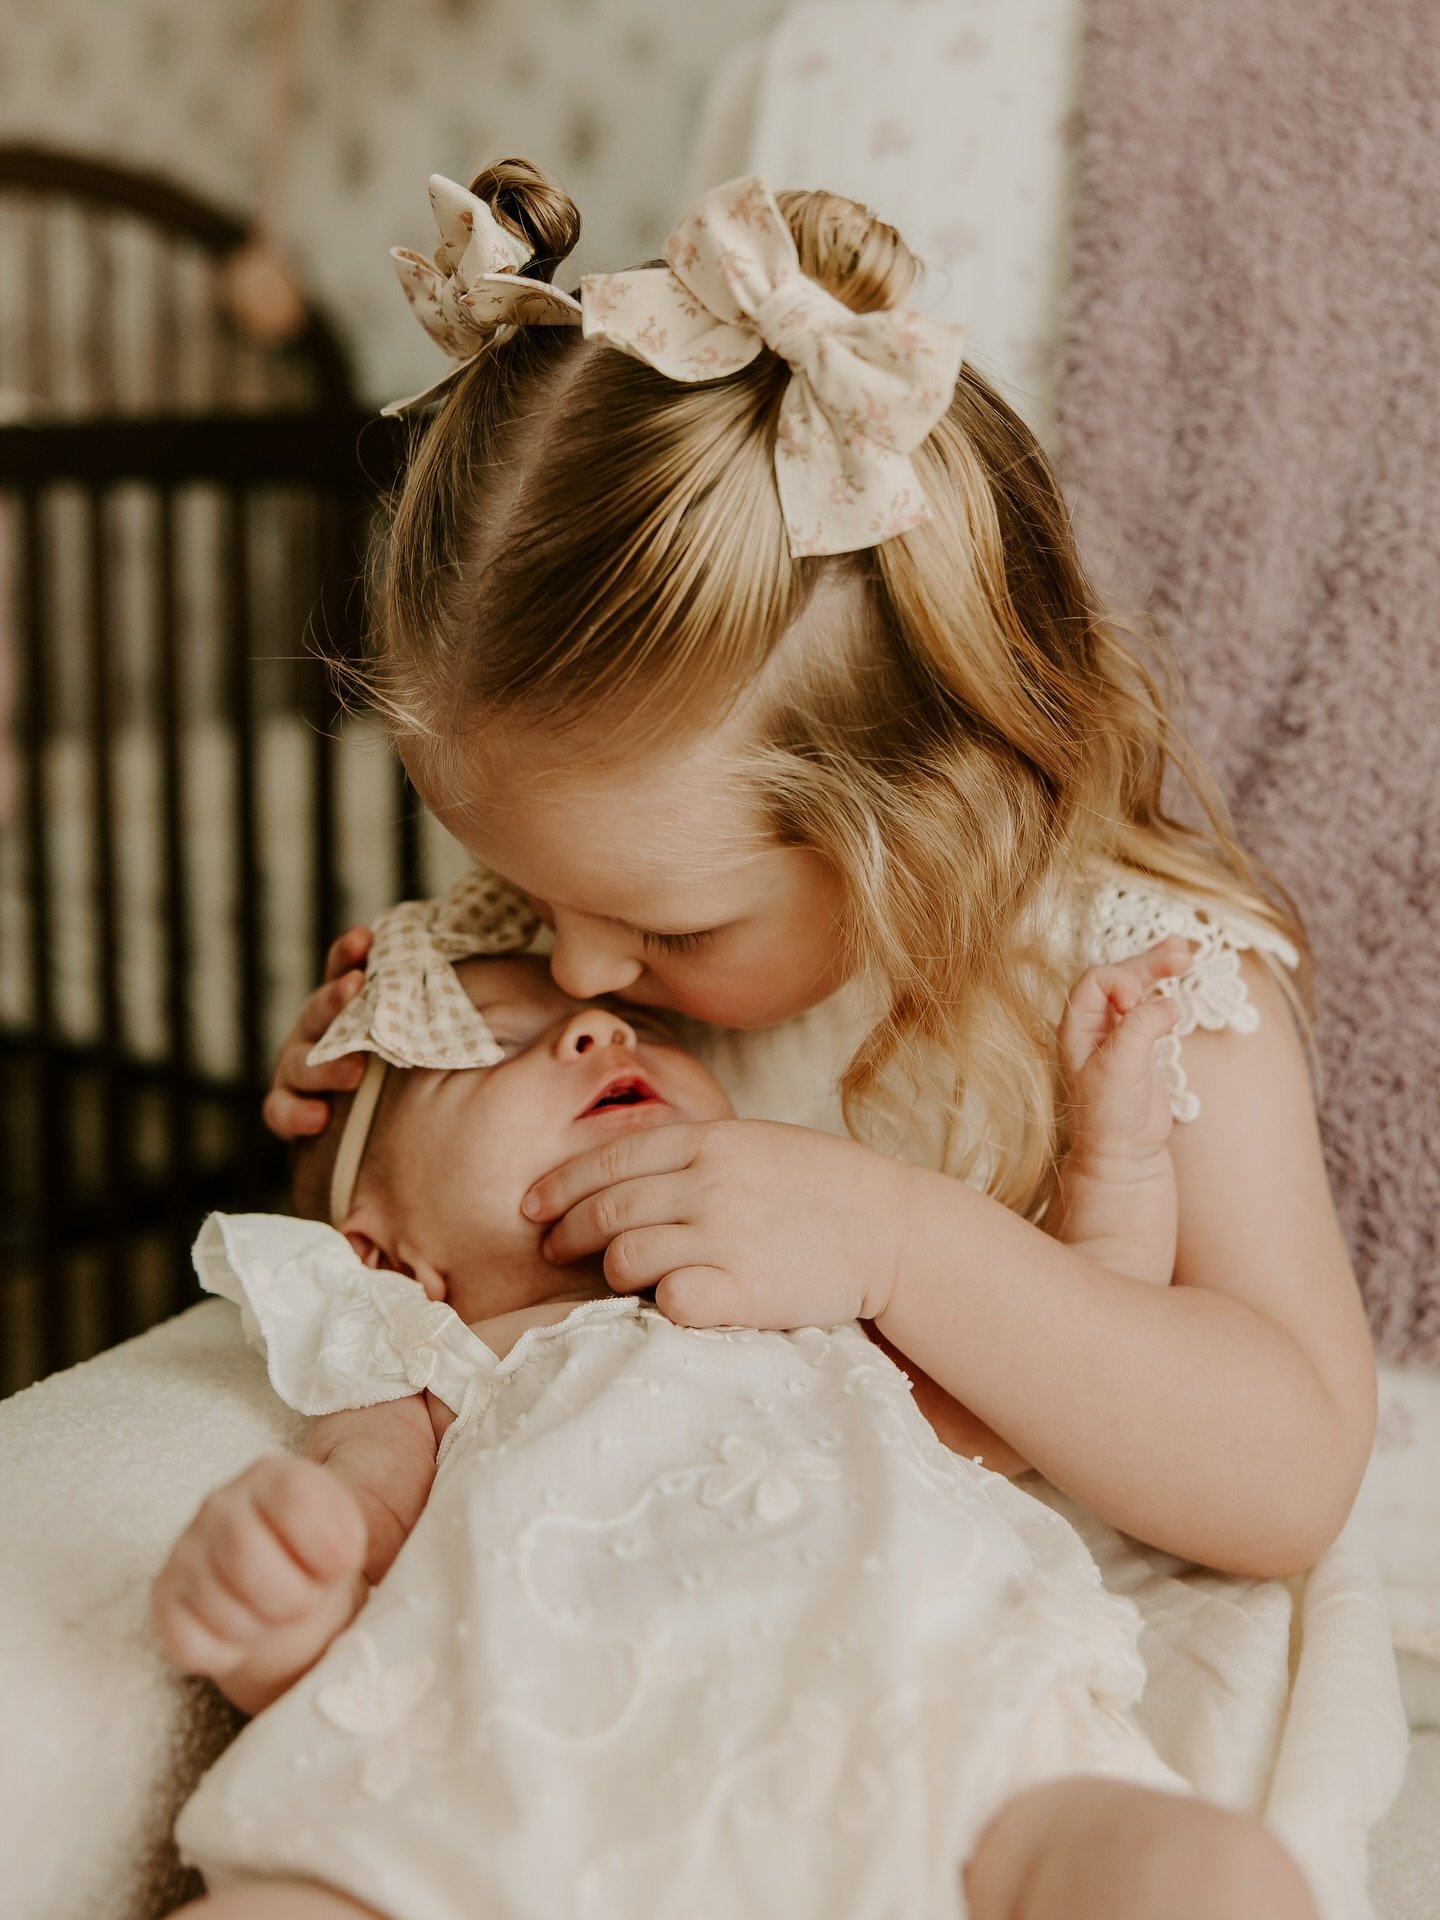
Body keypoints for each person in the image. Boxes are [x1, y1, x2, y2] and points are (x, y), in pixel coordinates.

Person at [258, 161, 1375, 1917]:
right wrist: (368, 1079)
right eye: (523, 893)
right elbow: (427, 1236)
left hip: (963, 1694)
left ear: (918, 819)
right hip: (622, 1691)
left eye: (664, 930)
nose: (578, 969)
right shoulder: (600, 929)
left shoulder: (1136, 993)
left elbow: (1292, 1468)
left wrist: (895, 1241)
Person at [160, 937, 1231, 1920]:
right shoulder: (425, 1360)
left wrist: (1113, 1160)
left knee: (1198, 1874)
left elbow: (1065, 1354)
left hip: (923, 1760)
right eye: (493, 1046)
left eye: (644, 1028)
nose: (599, 1031)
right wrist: (279, 1600)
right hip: (535, 1803)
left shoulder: (823, 1298)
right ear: (386, 1259)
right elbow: (356, 1547)